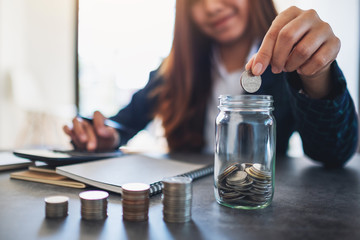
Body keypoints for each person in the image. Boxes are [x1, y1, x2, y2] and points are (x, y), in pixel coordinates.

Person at [64, 0, 358, 168]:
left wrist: (317, 75)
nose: (213, 6)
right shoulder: (172, 71)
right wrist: (107, 135)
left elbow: (334, 153)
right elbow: (123, 123)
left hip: (259, 203)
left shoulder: (289, 64)